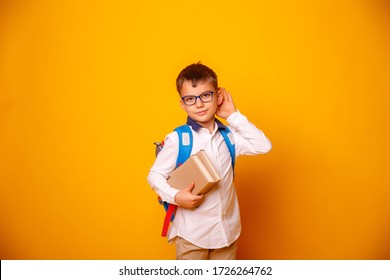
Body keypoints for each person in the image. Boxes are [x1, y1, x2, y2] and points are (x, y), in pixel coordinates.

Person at [147, 62, 272, 260]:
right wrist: (176, 196)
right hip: (192, 236)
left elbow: (263, 145)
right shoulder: (178, 139)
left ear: (218, 95)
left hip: (227, 233)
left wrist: (233, 116)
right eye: (190, 99)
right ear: (182, 104)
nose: (199, 104)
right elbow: (155, 176)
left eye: (206, 95)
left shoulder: (229, 136)